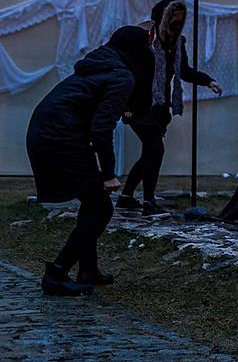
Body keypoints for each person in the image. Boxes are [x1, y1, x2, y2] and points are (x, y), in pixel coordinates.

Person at [27, 26, 153, 296]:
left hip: (48, 131)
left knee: (92, 202)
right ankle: (57, 273)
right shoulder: (121, 76)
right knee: (100, 207)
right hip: (59, 138)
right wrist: (108, 172)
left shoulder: (102, 65)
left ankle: (88, 270)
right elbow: (101, 127)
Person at [116, 0, 221, 216]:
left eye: (179, 19)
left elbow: (185, 71)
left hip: (159, 107)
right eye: (172, 17)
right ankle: (148, 202)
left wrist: (208, 81)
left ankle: (126, 197)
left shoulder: (177, 43)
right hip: (137, 104)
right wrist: (125, 104)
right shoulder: (142, 39)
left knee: (149, 153)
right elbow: (128, 73)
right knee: (155, 149)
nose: (175, 22)